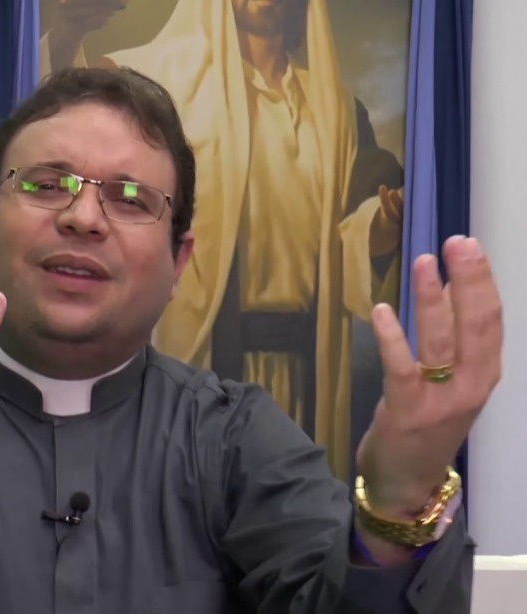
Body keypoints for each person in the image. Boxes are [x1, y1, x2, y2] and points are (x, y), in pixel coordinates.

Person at [0, 66, 500, 613]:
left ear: (179, 260)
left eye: (131, 198)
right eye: (46, 184)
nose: (83, 218)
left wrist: (400, 501)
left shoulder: (233, 437)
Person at [44, 0, 406, 480]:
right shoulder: (159, 83)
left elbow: (354, 226)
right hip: (197, 356)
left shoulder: (335, 110)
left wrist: (380, 226)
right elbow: (63, 131)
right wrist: (67, 37)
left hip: (302, 376)